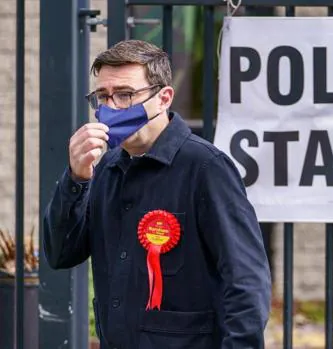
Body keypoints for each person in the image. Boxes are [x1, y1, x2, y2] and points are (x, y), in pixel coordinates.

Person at [42, 39, 272, 349]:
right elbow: (60, 253)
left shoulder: (205, 168)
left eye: (125, 95)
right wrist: (76, 178)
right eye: (102, 96)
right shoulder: (107, 167)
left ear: (164, 98)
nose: (112, 108)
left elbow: (246, 282)